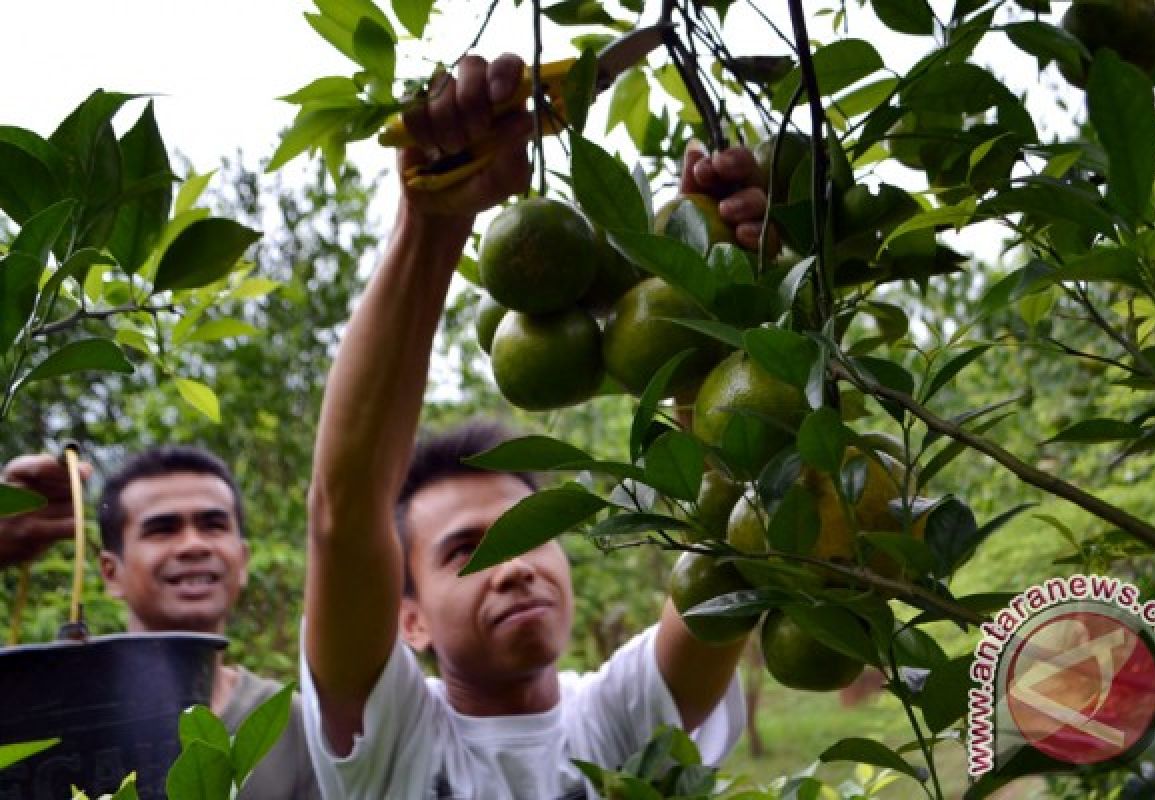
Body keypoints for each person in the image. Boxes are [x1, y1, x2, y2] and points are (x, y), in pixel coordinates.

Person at [301, 52, 773, 799]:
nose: (515, 564)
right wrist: (433, 221)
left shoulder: (621, 716)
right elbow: (345, 505)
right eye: (467, 551)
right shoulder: (387, 742)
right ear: (409, 621)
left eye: (529, 530)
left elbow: (737, 540)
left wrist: (719, 288)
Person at [0, 447, 319, 800]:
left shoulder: (294, 724)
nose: (193, 545)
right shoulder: (56, 714)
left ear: (242, 560)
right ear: (111, 572)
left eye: (213, 525)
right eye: (162, 529)